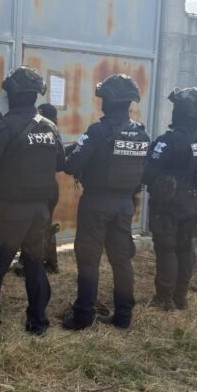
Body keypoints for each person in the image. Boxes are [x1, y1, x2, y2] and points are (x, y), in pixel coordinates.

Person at [0, 66, 65, 345]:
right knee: (34, 264)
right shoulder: (50, 126)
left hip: (9, 212)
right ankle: (38, 323)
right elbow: (60, 164)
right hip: (40, 211)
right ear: (35, 94)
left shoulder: (3, 127)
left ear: (11, 94)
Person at [62, 74, 149, 331]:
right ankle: (123, 316)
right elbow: (144, 172)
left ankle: (83, 316)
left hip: (96, 203)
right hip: (124, 204)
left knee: (89, 260)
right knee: (121, 261)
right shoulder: (141, 134)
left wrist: (72, 150)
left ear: (108, 101)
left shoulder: (97, 132)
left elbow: (71, 165)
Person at [142, 88, 197, 311]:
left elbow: (149, 173)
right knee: (185, 248)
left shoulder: (168, 141)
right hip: (194, 202)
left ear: (181, 110)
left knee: (167, 249)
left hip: (169, 204)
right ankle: (180, 297)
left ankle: (164, 298)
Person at [14, 102, 62, 276]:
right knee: (46, 225)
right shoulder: (54, 133)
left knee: (31, 227)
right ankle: (51, 263)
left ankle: (28, 265)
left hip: (35, 187)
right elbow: (61, 163)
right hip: (50, 187)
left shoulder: (32, 132)